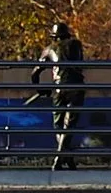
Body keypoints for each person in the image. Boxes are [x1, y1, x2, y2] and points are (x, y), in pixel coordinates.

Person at [36, 17, 87, 169]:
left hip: (58, 89)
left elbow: (35, 73)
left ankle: (62, 157)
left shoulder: (48, 49)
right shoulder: (76, 44)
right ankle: (64, 157)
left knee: (58, 125)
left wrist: (40, 89)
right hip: (76, 87)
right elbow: (80, 64)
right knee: (69, 125)